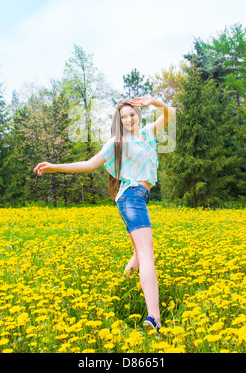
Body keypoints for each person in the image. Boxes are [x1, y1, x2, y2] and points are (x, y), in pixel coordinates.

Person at [33, 96, 175, 334]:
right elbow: (89, 164)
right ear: (119, 122)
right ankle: (155, 318)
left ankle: (120, 289)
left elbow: (171, 113)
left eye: (132, 114)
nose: (129, 119)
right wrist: (55, 167)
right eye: (124, 117)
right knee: (147, 254)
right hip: (132, 198)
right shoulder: (117, 141)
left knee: (139, 255)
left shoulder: (149, 133)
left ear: (138, 115)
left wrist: (155, 101)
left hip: (137, 197)